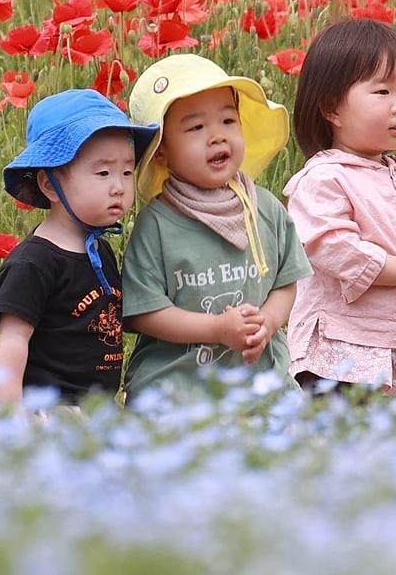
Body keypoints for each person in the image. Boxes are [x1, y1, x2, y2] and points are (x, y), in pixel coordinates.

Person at [284, 19, 396, 399]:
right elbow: (331, 247)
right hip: (341, 354)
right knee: (349, 451)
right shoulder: (322, 179)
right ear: (331, 108)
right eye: (382, 91)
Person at [120, 54, 313, 400]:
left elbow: (287, 282)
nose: (217, 137)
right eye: (196, 127)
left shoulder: (265, 209)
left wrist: (269, 321)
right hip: (179, 385)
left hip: (260, 378)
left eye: (228, 120)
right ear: (161, 151)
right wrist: (217, 329)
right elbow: (144, 313)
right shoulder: (157, 225)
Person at [0, 89, 158, 405]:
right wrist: (12, 420)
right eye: (103, 172)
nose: (118, 187)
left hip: (98, 410)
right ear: (50, 184)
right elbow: (13, 343)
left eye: (126, 171)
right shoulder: (33, 263)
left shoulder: (101, 252)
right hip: (50, 413)